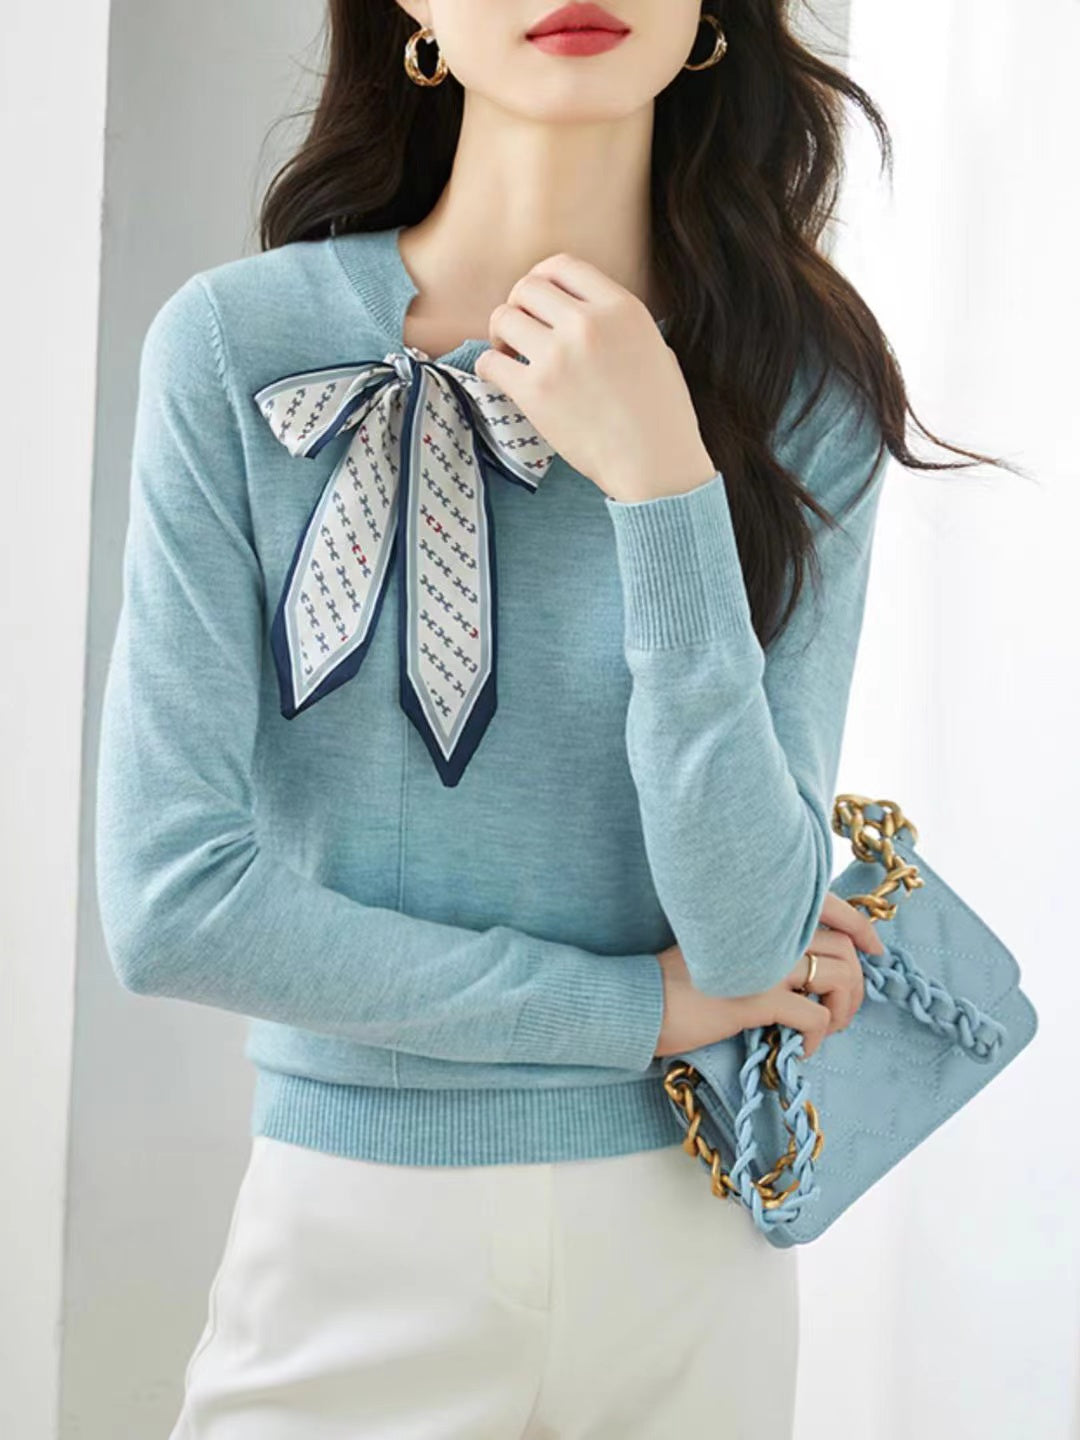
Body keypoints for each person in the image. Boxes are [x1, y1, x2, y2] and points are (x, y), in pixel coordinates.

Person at [94, 2, 1005, 1435]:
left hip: (688, 1257)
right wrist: (633, 1012)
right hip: (353, 1245)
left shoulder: (799, 381)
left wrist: (663, 484)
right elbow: (174, 904)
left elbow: (747, 941)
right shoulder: (239, 346)